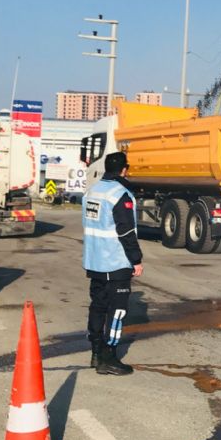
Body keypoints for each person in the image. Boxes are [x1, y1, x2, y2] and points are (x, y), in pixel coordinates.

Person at [82, 150, 143, 375]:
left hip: (94, 261)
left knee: (97, 307)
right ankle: (109, 356)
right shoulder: (120, 194)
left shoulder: (92, 191)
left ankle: (96, 353)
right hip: (115, 263)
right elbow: (126, 231)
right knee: (117, 311)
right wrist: (136, 260)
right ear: (124, 169)